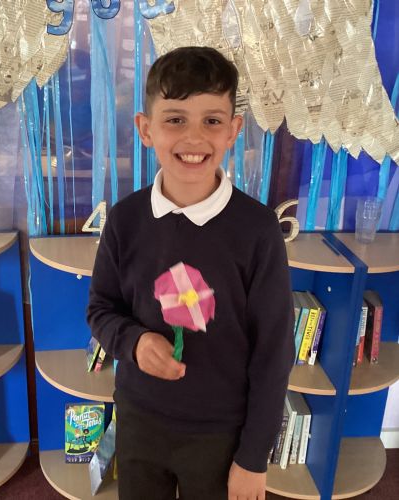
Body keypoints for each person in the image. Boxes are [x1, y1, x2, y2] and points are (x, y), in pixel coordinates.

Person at [87, 46, 294, 500]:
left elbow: (274, 352)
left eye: (212, 120)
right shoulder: (125, 220)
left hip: (221, 432)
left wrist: (253, 457)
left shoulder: (258, 230)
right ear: (146, 129)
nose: (194, 137)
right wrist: (135, 342)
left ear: (233, 130)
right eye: (176, 119)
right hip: (140, 420)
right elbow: (101, 308)